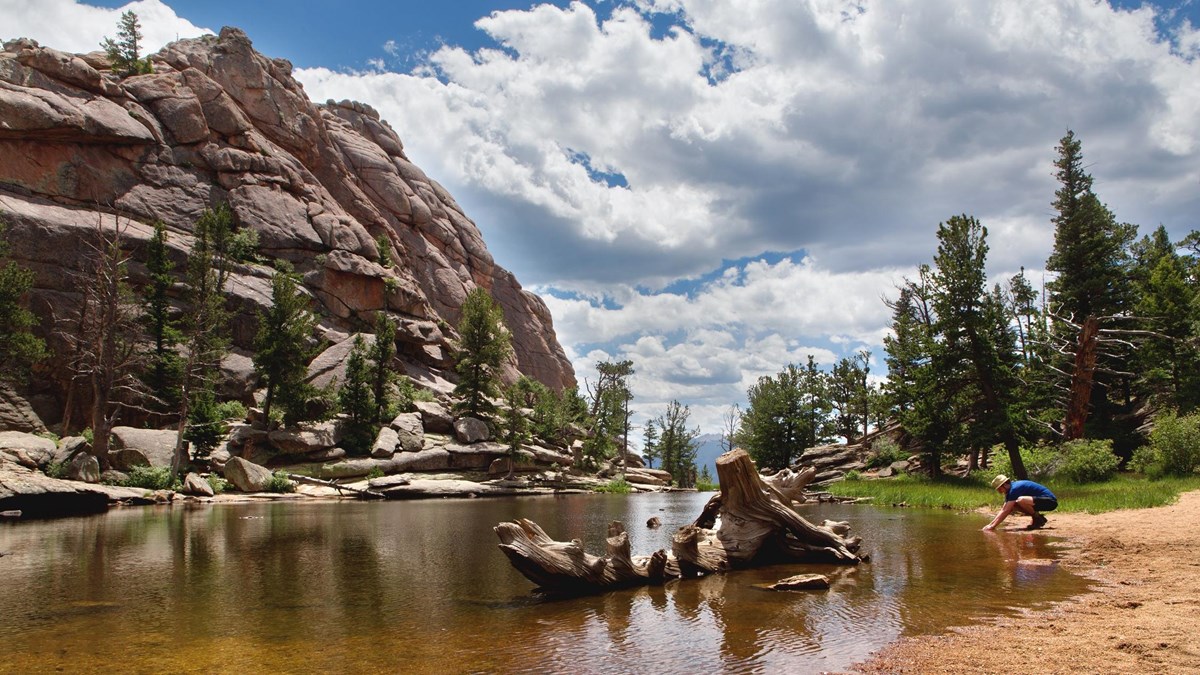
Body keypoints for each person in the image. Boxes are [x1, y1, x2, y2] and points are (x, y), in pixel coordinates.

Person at [982, 474, 1057, 531]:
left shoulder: (1014, 489)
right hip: (1038, 502)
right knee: (1013, 505)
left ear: (1004, 485)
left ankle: (1037, 519)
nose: (1000, 492)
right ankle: (1038, 518)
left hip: (1050, 501)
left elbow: (1006, 511)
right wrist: (990, 524)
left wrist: (992, 526)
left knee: (1021, 500)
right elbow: (1004, 509)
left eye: (999, 489)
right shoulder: (1010, 490)